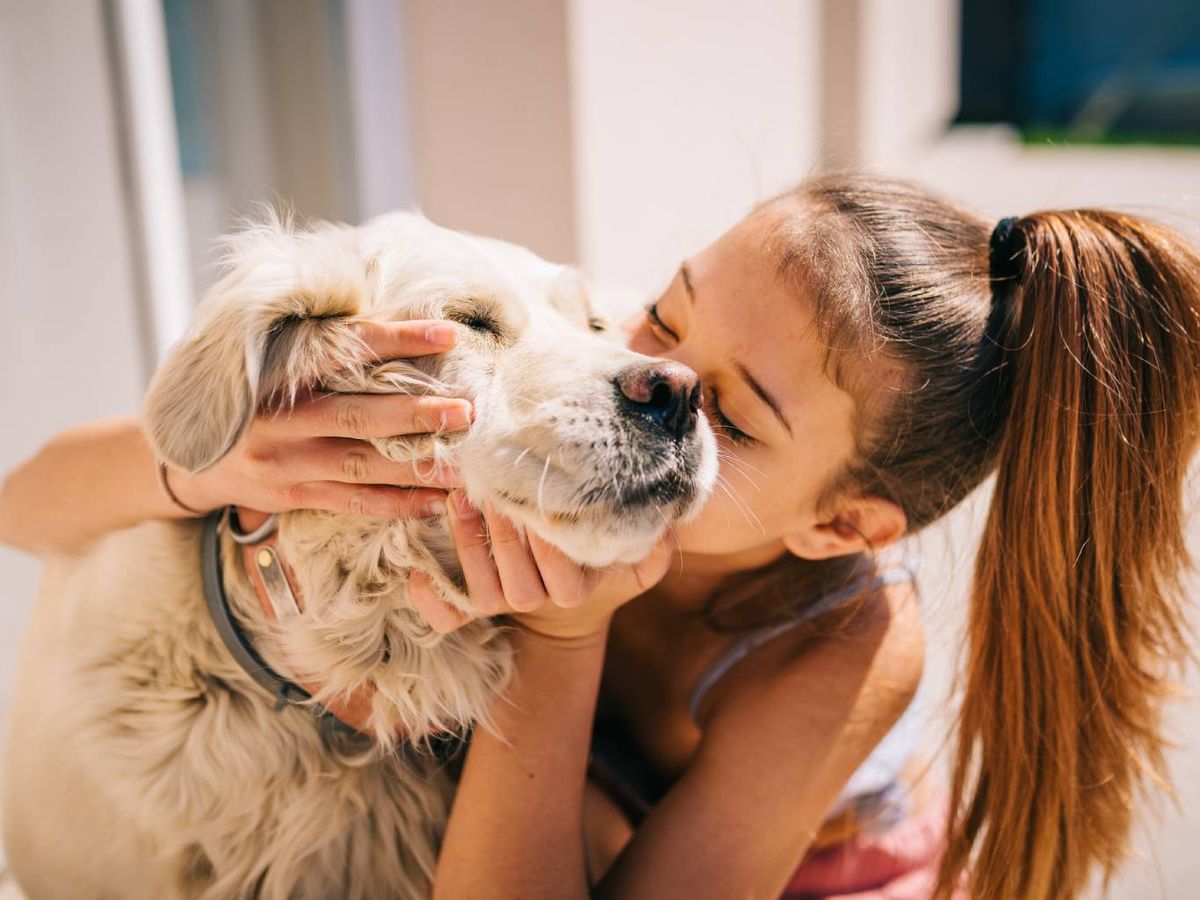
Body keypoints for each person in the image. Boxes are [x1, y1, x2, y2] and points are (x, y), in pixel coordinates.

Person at [2, 173, 1198, 900]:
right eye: (661, 313)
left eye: (728, 412)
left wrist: (565, 644)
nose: (650, 380)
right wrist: (201, 462)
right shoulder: (593, 401)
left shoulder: (843, 648)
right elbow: (22, 507)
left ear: (843, 523)